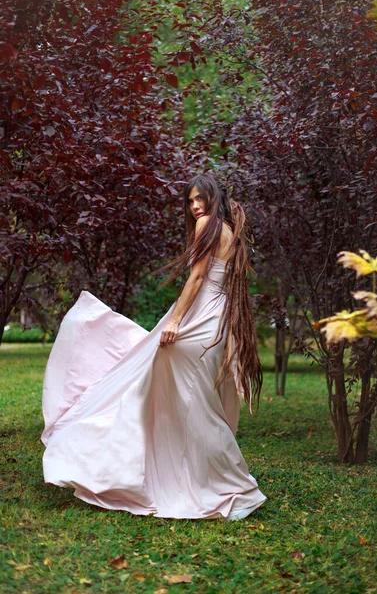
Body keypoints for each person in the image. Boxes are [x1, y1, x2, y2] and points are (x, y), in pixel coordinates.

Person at [41, 174, 267, 521]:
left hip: (200, 318)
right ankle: (193, 473)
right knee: (186, 398)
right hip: (220, 322)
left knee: (180, 395)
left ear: (213, 199)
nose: (194, 208)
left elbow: (197, 278)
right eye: (189, 202)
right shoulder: (231, 231)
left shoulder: (208, 224)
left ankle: (208, 478)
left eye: (199, 199)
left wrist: (175, 321)